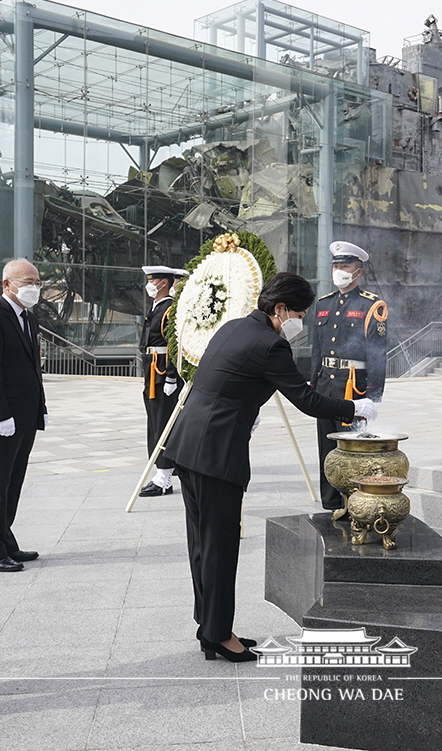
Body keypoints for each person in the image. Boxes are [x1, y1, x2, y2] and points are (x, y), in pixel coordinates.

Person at [163, 272, 377, 662]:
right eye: (299, 313)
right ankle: (218, 635)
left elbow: (225, 380)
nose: (301, 320)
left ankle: (209, 626)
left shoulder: (235, 327)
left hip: (190, 444)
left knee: (202, 543)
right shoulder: (270, 345)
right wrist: (354, 407)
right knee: (221, 546)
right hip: (216, 453)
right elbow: (306, 400)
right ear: (280, 309)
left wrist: (245, 409)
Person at [0, 258, 47, 573]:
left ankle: (6, 542)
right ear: (7, 284)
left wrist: (39, 408)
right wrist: (0, 415)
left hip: (25, 416)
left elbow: (32, 369)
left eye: (38, 282)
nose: (34, 288)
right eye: (28, 282)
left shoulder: (28, 319)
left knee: (13, 483)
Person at [312, 241, 389, 516]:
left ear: (357, 272)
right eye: (335, 266)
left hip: (353, 386)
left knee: (353, 448)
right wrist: (313, 381)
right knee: (326, 444)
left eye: (344, 266)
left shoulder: (371, 305)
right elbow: (316, 349)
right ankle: (331, 502)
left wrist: (373, 395)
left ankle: (354, 502)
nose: (339, 271)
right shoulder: (323, 304)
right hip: (325, 385)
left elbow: (378, 353)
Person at [138, 264, 187, 497]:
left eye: (153, 280)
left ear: (164, 283)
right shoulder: (157, 306)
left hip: (160, 372)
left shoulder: (169, 309)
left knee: (162, 423)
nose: (149, 284)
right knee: (155, 422)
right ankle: (164, 470)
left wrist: (170, 377)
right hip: (151, 372)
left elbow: (173, 346)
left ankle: (164, 477)